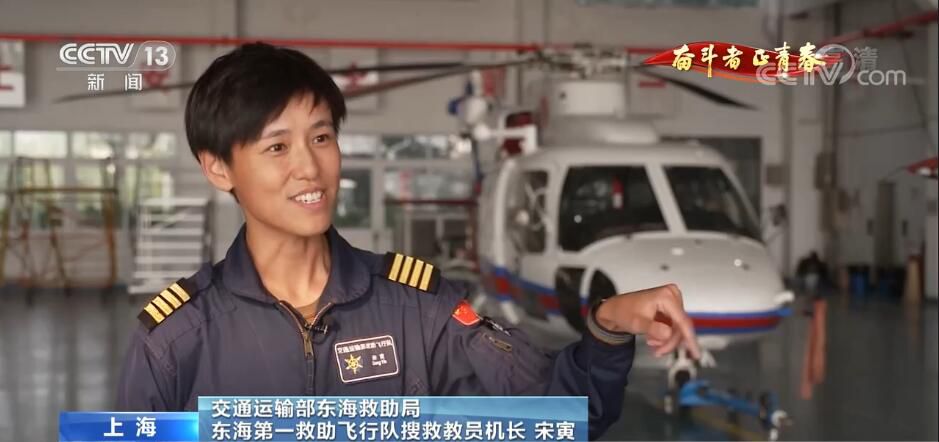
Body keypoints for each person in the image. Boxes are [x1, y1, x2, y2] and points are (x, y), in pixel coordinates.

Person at [116, 43, 701, 440]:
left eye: (321, 137)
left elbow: (562, 416)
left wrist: (608, 326)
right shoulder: (175, 341)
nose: (309, 168)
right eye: (277, 147)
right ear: (218, 168)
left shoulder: (420, 308)